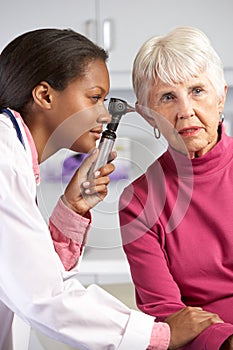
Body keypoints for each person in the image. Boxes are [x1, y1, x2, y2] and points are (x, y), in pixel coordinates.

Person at [0, 27, 222, 350]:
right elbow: (42, 296)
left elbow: (26, 272)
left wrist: (72, 210)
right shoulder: (4, 159)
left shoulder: (14, 157)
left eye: (198, 90)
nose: (105, 114)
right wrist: (159, 334)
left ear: (222, 96)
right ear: (45, 96)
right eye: (95, 98)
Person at [119, 25, 233, 350]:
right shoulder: (138, 200)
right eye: (168, 97)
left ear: (220, 95)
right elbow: (168, 316)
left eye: (197, 90)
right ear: (148, 116)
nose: (185, 111)